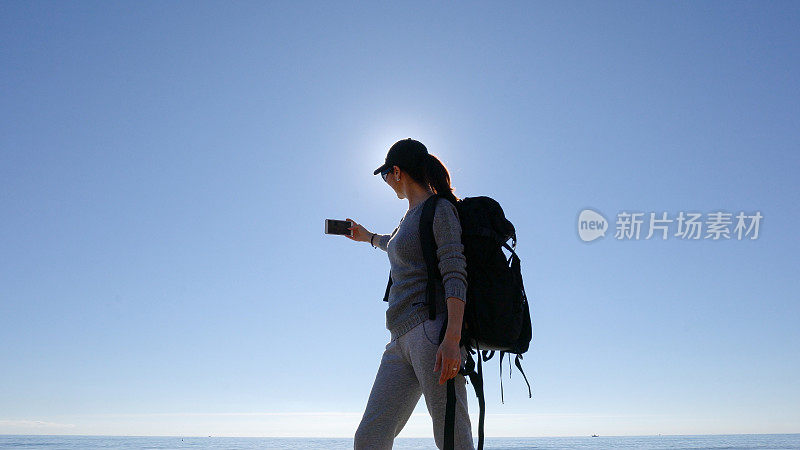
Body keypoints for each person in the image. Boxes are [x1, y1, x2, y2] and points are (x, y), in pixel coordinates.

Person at [345, 138, 475, 449]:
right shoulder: (409, 217)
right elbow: (396, 243)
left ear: (397, 172)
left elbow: (455, 272)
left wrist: (453, 339)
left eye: (385, 175)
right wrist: (367, 237)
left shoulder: (440, 209)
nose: (386, 182)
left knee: (452, 439)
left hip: (432, 333)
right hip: (399, 338)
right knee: (369, 438)